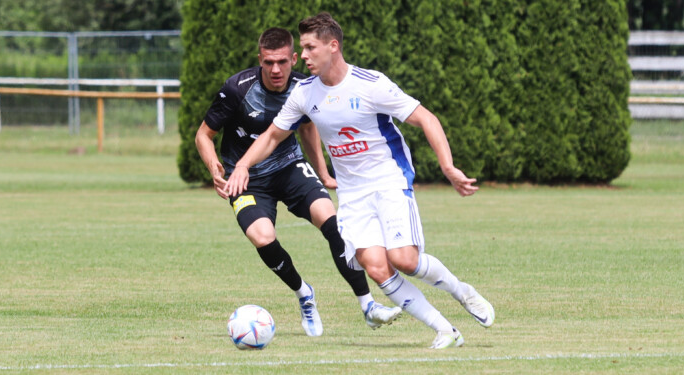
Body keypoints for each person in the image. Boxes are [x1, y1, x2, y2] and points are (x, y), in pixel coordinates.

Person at [225, 14, 495, 349]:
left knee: (404, 260)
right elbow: (272, 136)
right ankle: (446, 331)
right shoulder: (304, 93)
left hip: (388, 179)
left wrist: (448, 167)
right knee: (376, 269)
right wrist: (243, 166)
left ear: (333, 46)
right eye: (304, 48)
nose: (303, 56)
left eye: (310, 47)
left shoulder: (371, 84)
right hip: (352, 193)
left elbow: (426, 118)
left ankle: (461, 291)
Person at [195, 27, 402, 337]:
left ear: (294, 59)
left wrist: (322, 171)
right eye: (268, 62)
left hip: (290, 167)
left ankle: (368, 305)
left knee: (333, 224)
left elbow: (307, 129)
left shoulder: (304, 88)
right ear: (260, 60)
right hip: (246, 178)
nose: (275, 69)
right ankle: (304, 293)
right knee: (263, 238)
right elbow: (203, 135)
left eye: (282, 62)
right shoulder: (238, 88)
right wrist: (215, 168)